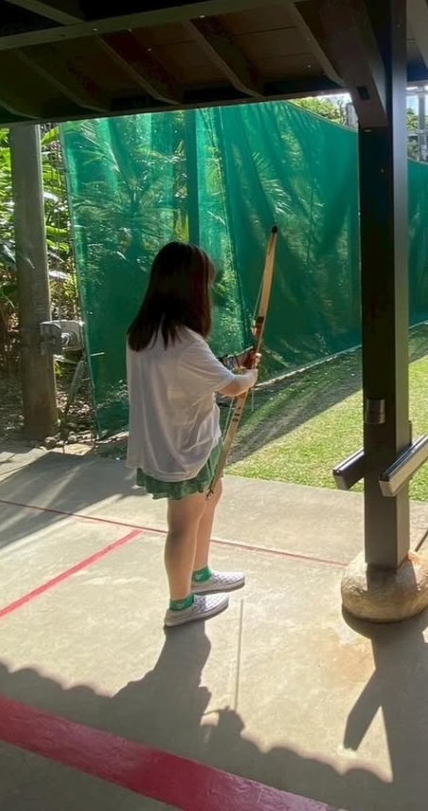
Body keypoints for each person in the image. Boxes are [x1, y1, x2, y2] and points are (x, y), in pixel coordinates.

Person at [126, 241, 259, 628]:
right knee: (184, 524)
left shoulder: (145, 332)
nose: (208, 292)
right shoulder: (183, 342)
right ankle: (180, 604)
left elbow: (193, 373)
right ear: (190, 288)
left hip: (174, 443)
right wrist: (250, 374)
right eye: (205, 283)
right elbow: (232, 386)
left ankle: (199, 575)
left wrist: (234, 363)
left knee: (210, 498)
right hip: (184, 448)